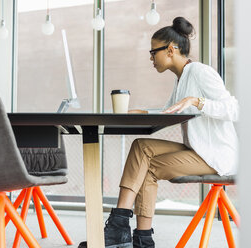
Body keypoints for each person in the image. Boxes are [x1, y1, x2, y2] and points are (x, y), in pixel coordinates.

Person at [78, 16, 238, 248]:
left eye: (154, 52)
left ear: (171, 49)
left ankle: (130, 232)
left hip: (216, 156)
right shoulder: (182, 78)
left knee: (148, 168)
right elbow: (171, 111)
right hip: (198, 150)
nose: (151, 58)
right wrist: (145, 113)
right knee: (141, 147)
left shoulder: (200, 72)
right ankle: (125, 228)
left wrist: (197, 101)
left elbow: (234, 109)